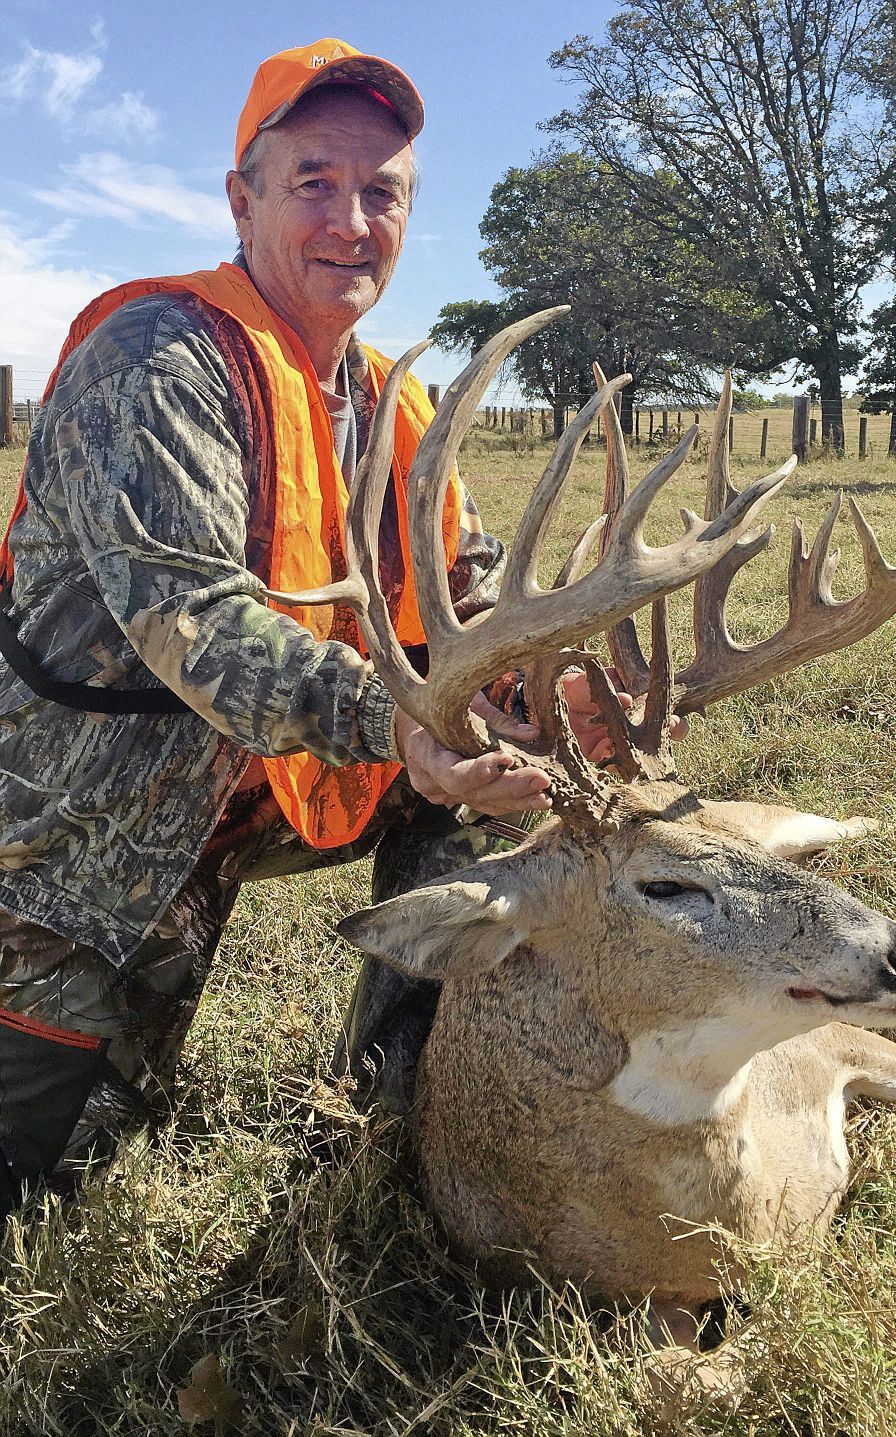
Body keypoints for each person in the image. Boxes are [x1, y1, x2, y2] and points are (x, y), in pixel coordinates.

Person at [0, 39, 617, 1222]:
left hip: (268, 779)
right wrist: (403, 722)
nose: (350, 221)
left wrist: (546, 686)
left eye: (380, 191)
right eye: (313, 183)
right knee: (41, 1184)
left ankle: (399, 1090)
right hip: (90, 833)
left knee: (490, 778)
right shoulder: (155, 360)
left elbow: (467, 591)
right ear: (243, 202)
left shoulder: (392, 401)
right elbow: (196, 621)